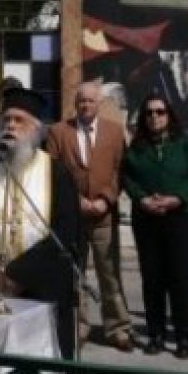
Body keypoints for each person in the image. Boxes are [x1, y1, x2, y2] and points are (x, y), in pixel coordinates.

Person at [0, 87, 81, 358]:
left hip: (42, 287)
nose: (10, 126)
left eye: (19, 120)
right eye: (6, 120)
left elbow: (65, 234)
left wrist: (18, 273)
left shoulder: (57, 174)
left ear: (35, 130)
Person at [46, 81, 135, 352]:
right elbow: (52, 171)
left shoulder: (114, 131)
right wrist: (77, 201)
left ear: (99, 104)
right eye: (81, 101)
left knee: (110, 274)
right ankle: (78, 327)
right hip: (72, 216)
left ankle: (118, 328)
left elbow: (121, 170)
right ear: (75, 104)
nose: (86, 105)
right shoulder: (59, 132)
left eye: (91, 101)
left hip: (104, 215)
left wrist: (105, 199)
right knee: (76, 273)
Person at [120, 94, 188, 359]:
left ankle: (183, 337)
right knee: (153, 279)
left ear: (169, 115)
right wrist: (142, 198)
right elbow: (126, 176)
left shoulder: (185, 143)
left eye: (160, 112)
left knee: (180, 280)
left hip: (181, 218)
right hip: (147, 220)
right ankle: (156, 335)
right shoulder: (136, 146)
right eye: (149, 113)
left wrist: (176, 198)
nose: (155, 117)